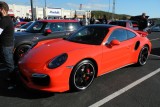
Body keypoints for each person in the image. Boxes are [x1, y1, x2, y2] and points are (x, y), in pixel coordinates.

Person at [0, 1, 16, 89]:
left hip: (6, 45)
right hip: (8, 44)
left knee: (9, 64)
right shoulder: (7, 18)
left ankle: (13, 83)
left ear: (1, 9)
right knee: (9, 63)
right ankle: (10, 77)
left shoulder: (4, 20)